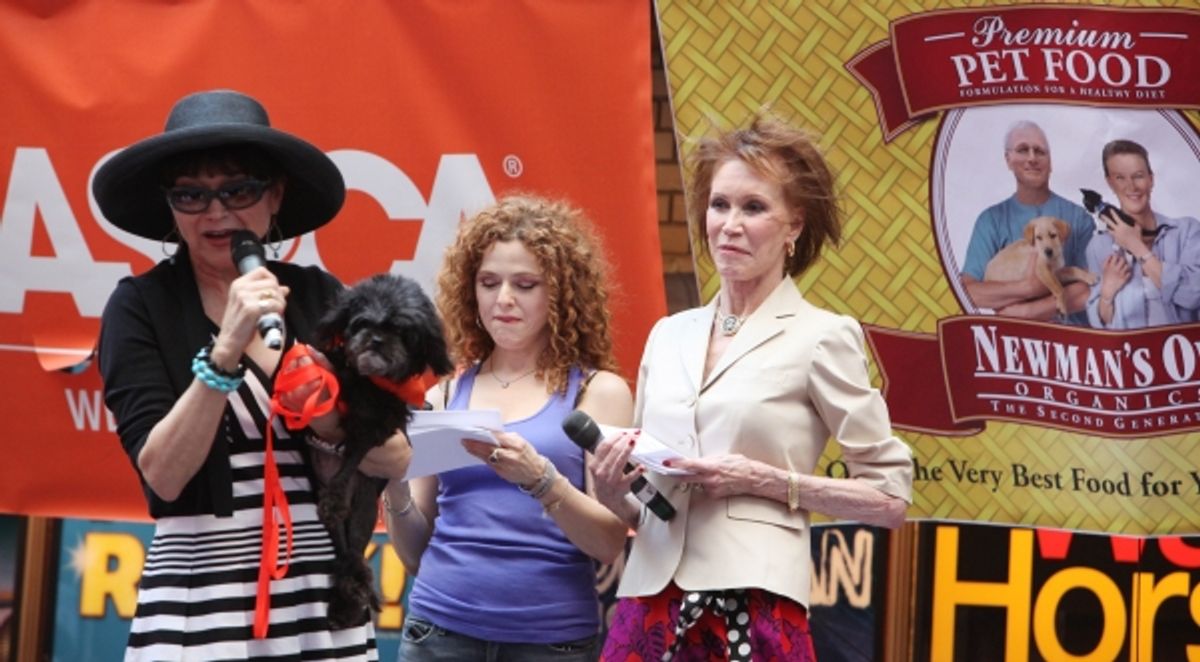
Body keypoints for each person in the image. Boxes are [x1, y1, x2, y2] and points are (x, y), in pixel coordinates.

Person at [95, 89, 410, 661]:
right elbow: (162, 477)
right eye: (191, 195)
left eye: (238, 190)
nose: (216, 213)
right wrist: (225, 351)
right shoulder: (139, 306)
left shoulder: (321, 296)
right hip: (200, 601)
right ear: (171, 209)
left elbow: (395, 457)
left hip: (320, 599)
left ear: (275, 196)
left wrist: (321, 409)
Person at [589, 114, 913, 662]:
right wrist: (615, 492)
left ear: (794, 227)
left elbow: (890, 499)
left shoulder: (823, 336)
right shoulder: (669, 335)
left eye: (754, 207)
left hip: (755, 606)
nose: (730, 224)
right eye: (719, 205)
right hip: (650, 604)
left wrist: (769, 482)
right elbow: (651, 505)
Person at [383, 194, 634, 661]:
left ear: (560, 293)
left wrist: (541, 480)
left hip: (550, 639)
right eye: (488, 282)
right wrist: (393, 484)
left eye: (525, 284)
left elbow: (608, 542)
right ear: (469, 290)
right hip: (437, 632)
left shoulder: (598, 393)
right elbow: (415, 555)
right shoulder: (443, 394)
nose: (503, 300)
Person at [959, 120, 1095, 324]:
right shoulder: (991, 220)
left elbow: (1094, 286)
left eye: (1040, 151)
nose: (1032, 158)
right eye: (1023, 150)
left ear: (1051, 161)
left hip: (1072, 344)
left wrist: (1027, 312)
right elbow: (968, 292)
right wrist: (1028, 287)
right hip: (1014, 345)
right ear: (1008, 159)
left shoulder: (1078, 217)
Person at [1086, 139, 1200, 328]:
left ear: (1151, 179)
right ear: (1110, 183)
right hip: (1130, 355)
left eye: (1138, 176)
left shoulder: (1187, 232)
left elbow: (1194, 295)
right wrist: (1106, 293)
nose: (1131, 187)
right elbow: (1100, 326)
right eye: (1120, 178)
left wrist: (1136, 247)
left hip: (1182, 353)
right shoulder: (1099, 246)